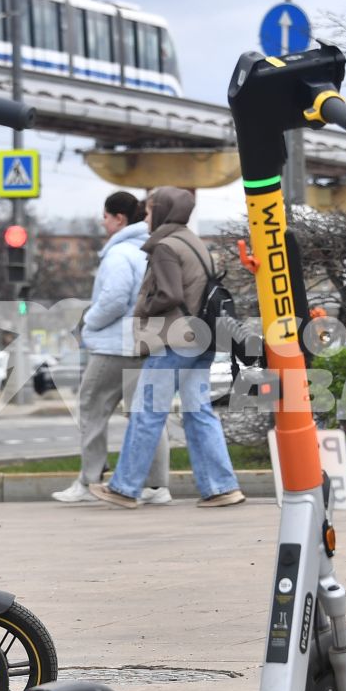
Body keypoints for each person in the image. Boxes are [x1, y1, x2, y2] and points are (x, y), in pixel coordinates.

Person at [89, 186, 245, 509]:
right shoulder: (193, 241)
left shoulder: (165, 246)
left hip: (175, 340)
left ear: (162, 212)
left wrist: (143, 307)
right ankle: (221, 487)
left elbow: (171, 295)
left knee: (147, 411)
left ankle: (124, 488)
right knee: (198, 411)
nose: (145, 217)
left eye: (149, 211)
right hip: (201, 338)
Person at [53, 191, 171, 504]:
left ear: (119, 218)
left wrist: (89, 320)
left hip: (114, 345)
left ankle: (89, 481)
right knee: (144, 414)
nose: (102, 222)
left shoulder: (119, 254)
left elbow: (115, 298)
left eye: (105, 216)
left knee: (92, 408)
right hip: (145, 342)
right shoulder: (148, 249)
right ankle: (157, 486)